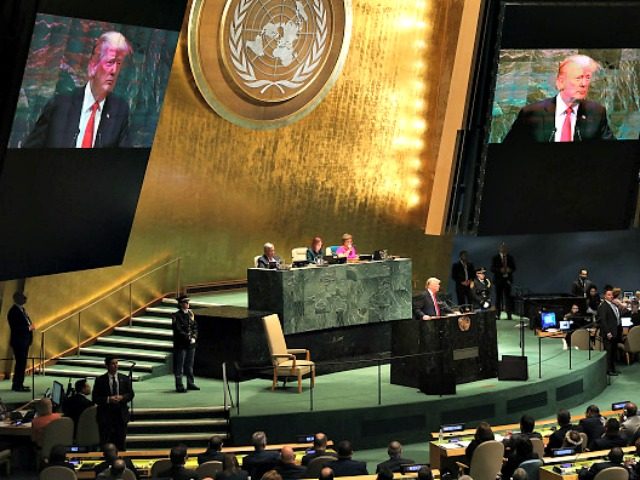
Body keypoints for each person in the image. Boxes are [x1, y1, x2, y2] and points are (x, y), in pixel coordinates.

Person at [23, 31, 133, 148]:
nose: (114, 71)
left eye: (119, 63)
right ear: (94, 64)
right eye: (110, 62)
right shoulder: (59, 106)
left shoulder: (120, 110)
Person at [504, 54, 615, 143]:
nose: (584, 84)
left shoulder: (596, 112)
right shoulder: (531, 113)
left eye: (587, 78)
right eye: (579, 78)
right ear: (560, 82)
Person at [92, 355, 135, 451]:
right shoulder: (100, 380)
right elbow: (95, 398)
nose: (115, 366)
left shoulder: (124, 378)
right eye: (112, 363)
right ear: (107, 366)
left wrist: (122, 397)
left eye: (116, 363)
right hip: (105, 416)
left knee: (121, 442)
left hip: (121, 415)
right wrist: (108, 399)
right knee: (105, 442)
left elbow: (131, 394)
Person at [7, 291, 35, 392]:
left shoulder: (22, 309)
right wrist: (29, 328)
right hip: (19, 341)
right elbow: (16, 328)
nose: (25, 298)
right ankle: (17, 385)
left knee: (22, 364)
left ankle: (20, 383)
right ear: (18, 299)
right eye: (23, 297)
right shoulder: (13, 311)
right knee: (20, 364)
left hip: (24, 341)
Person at [172, 295, 199, 393]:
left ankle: (190, 383)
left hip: (191, 344)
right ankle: (179, 385)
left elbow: (195, 327)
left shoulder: (190, 314)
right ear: (180, 304)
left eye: (188, 302)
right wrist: (188, 338)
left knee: (189, 365)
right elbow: (178, 330)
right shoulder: (176, 316)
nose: (187, 304)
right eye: (185, 302)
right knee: (180, 365)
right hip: (181, 344)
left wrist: (194, 337)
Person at [598, 287, 623, 376]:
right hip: (609, 333)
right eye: (609, 295)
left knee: (613, 352)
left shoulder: (612, 304)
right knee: (608, 352)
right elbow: (603, 321)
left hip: (615, 332)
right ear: (605, 296)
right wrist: (608, 332)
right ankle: (608, 370)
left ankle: (613, 369)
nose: (611, 296)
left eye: (611, 294)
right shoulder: (603, 306)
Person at [490, 243, 516, 320]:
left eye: (505, 248)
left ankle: (509, 314)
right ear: (499, 249)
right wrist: (499, 270)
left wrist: (510, 270)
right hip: (498, 281)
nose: (504, 249)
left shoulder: (510, 258)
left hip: (507, 280)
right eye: (502, 248)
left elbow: (514, 268)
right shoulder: (495, 258)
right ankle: (498, 314)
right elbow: (492, 268)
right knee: (498, 298)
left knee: (508, 298)